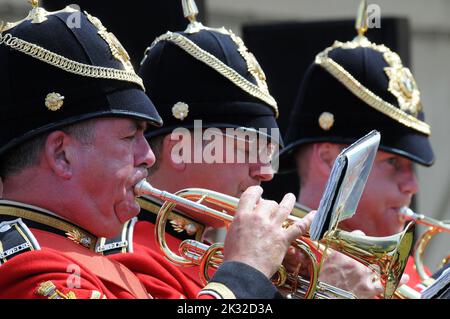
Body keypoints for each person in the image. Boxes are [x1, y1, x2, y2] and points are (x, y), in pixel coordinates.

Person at [0, 2, 309, 299]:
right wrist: (245, 272)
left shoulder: (75, 255)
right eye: (129, 137)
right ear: (61, 155)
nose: (148, 156)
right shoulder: (30, 269)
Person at [129, 0, 386, 299]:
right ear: (180, 149)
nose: (265, 171)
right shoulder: (137, 262)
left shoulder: (217, 258)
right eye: (246, 147)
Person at [278, 10, 434, 294]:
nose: (412, 185)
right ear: (329, 158)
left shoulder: (408, 272)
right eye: (393, 162)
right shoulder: (269, 264)